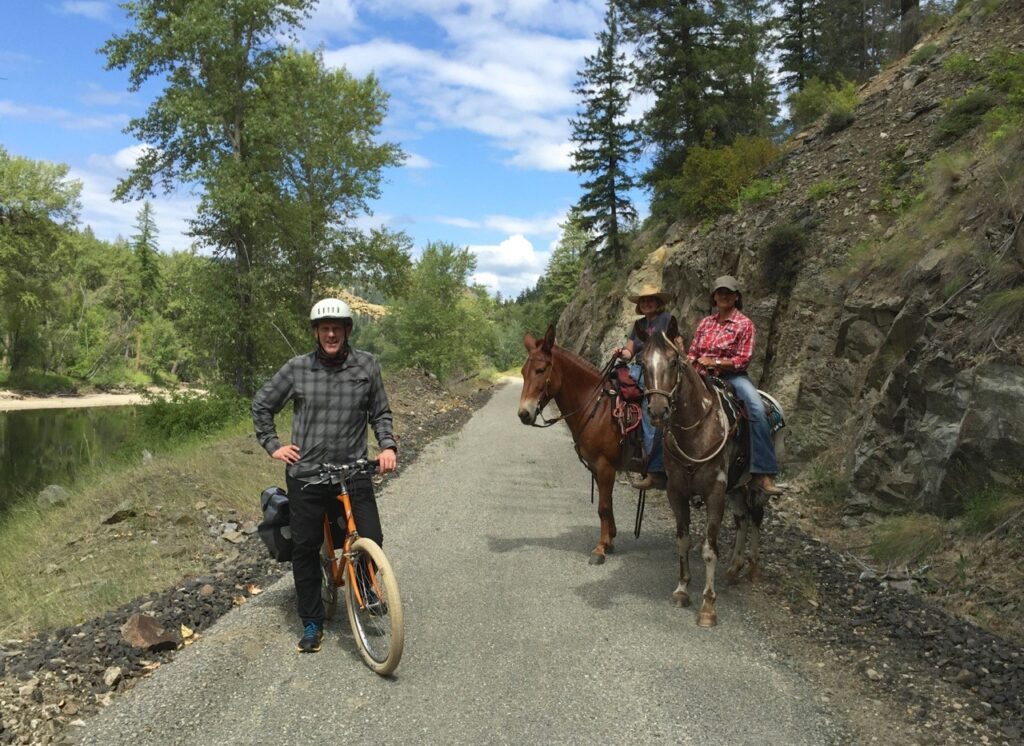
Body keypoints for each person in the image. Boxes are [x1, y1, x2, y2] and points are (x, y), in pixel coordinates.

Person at [252, 297, 398, 653]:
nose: (331, 334)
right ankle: (312, 620)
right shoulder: (297, 368)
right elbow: (262, 404)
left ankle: (365, 587)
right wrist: (273, 445)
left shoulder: (367, 366)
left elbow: (380, 412)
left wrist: (388, 446)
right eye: (324, 328)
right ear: (316, 333)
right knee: (304, 547)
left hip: (353, 471)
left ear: (348, 330)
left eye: (337, 328)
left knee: (371, 536)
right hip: (307, 475)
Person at [687, 275, 782, 496]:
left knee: (756, 408)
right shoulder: (705, 323)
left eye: (728, 292)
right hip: (700, 376)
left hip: (732, 377)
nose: (724, 296)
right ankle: (665, 467)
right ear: (714, 296)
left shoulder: (744, 324)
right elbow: (692, 353)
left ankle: (763, 472)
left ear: (736, 296)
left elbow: (743, 359)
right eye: (720, 292)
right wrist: (693, 364)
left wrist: (716, 362)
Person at [612, 284, 685, 491]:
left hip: (658, 370)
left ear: (658, 302)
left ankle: (655, 470)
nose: (646, 303)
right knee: (613, 388)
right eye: (643, 301)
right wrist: (621, 353)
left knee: (650, 405)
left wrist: (678, 353)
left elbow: (677, 344)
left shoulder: (667, 320)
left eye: (651, 300)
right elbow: (630, 351)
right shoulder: (638, 325)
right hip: (639, 366)